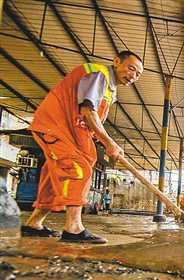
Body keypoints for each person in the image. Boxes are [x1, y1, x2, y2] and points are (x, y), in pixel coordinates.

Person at [21, 51, 143, 243]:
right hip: (56, 127)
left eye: (138, 74)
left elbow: (92, 118)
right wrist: (109, 142)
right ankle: (73, 229)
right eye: (131, 68)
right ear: (117, 62)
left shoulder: (110, 90)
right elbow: (88, 110)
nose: (133, 76)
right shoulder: (99, 74)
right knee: (79, 168)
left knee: (55, 175)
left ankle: (34, 223)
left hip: (71, 132)